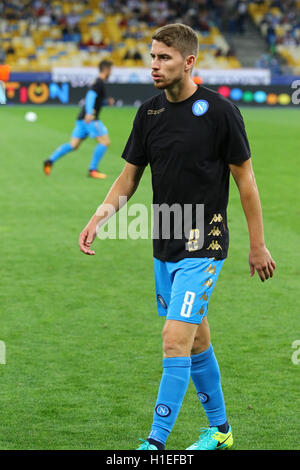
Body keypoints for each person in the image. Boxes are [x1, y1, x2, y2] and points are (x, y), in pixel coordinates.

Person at [78, 23, 276, 450]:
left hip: (204, 245)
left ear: (188, 62)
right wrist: (99, 217)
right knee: (197, 336)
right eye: (151, 56)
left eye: (163, 58)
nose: (154, 65)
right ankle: (220, 431)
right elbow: (129, 177)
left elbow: (246, 181)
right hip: (164, 242)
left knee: (174, 339)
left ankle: (155, 444)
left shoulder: (221, 113)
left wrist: (257, 244)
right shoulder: (148, 113)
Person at [43, 60, 114, 179]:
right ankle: (93, 170)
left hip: (81, 119)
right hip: (90, 119)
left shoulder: (97, 82)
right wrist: (90, 113)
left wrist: (106, 102)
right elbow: (90, 96)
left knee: (73, 145)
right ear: (106, 69)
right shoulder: (99, 83)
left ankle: (49, 161)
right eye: (111, 70)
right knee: (105, 142)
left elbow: (95, 99)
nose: (111, 72)